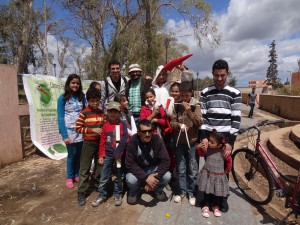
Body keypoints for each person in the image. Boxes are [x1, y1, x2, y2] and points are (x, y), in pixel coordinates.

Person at [198, 59, 242, 212]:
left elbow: (236, 119)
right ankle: (207, 199)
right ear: (212, 74)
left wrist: (230, 142)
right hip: (210, 138)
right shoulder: (205, 92)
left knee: (224, 170)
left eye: (222, 75)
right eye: (216, 75)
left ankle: (222, 199)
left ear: (227, 73)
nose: (219, 79)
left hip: (226, 138)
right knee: (209, 169)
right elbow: (202, 117)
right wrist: (203, 136)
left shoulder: (235, 93)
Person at [170, 81, 202, 206]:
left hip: (192, 143)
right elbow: (172, 122)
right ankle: (182, 191)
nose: (184, 99)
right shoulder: (176, 105)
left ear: (191, 94)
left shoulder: (196, 105)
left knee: (192, 169)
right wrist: (178, 125)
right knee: (181, 168)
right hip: (180, 143)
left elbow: (199, 123)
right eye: (182, 96)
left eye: (186, 96)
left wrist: (189, 112)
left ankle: (191, 192)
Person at [125, 119, 171, 204]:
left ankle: (157, 190)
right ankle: (134, 192)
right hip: (139, 168)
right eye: (144, 132)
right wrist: (146, 178)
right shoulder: (133, 141)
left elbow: (166, 160)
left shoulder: (157, 139)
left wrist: (153, 180)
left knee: (167, 176)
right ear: (139, 132)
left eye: (150, 131)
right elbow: (129, 163)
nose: (147, 134)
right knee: (130, 179)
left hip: (153, 169)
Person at [92, 102, 128, 207]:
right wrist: (101, 156)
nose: (113, 114)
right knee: (104, 175)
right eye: (110, 111)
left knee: (119, 175)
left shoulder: (122, 124)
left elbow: (124, 139)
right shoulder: (105, 126)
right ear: (107, 112)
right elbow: (102, 141)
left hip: (118, 157)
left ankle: (118, 194)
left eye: (115, 112)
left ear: (119, 112)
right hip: (107, 156)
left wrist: (118, 153)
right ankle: (102, 194)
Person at [75, 87, 105, 206]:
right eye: (92, 100)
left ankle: (98, 185)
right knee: (85, 168)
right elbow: (77, 128)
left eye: (97, 100)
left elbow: (105, 126)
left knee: (99, 166)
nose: (95, 103)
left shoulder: (102, 113)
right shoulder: (84, 113)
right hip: (88, 143)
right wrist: (92, 129)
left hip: (100, 143)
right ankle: (81, 192)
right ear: (88, 101)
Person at [57, 74, 86, 189]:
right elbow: (60, 117)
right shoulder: (62, 98)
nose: (75, 85)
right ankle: (69, 177)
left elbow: (85, 113)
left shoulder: (81, 97)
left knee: (79, 154)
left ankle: (76, 174)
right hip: (69, 132)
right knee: (71, 154)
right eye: (73, 83)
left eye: (77, 83)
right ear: (68, 84)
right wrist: (64, 135)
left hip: (81, 131)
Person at [196, 130, 232, 218]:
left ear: (219, 144)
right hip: (207, 174)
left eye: (212, 142)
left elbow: (229, 161)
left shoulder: (223, 151)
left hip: (219, 175)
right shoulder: (208, 148)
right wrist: (199, 148)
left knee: (217, 192)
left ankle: (216, 206)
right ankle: (206, 205)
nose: (209, 143)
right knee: (206, 191)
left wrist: (227, 171)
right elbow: (201, 154)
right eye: (209, 140)